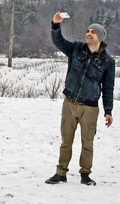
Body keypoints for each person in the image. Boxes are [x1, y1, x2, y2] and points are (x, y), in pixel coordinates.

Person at [45, 15, 115, 186]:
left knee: (87, 143)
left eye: (93, 32)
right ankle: (61, 173)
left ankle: (85, 174)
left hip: (90, 108)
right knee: (66, 141)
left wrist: (108, 111)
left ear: (100, 37)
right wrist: (55, 25)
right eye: (88, 31)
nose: (89, 34)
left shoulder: (108, 61)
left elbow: (108, 88)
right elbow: (59, 41)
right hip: (70, 103)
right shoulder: (76, 49)